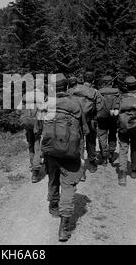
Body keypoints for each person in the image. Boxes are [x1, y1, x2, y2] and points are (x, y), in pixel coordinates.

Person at [41, 74, 87, 242]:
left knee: (53, 178)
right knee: (68, 186)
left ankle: (53, 205)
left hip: (50, 150)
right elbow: (84, 130)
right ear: (67, 86)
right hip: (69, 151)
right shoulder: (76, 104)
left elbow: (40, 129)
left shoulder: (46, 104)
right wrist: (82, 156)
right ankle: (64, 228)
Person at [67, 72, 98, 181]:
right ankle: (93, 163)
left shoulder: (71, 91)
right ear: (93, 80)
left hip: (77, 120)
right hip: (90, 120)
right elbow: (100, 107)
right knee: (91, 141)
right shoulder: (94, 92)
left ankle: (81, 172)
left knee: (80, 144)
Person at [19, 89, 46, 183]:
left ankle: (32, 163)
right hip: (37, 123)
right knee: (37, 144)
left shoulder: (25, 96)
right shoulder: (43, 96)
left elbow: (21, 110)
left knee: (31, 144)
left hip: (27, 123)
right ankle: (35, 171)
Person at [95, 75, 120, 166]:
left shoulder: (99, 92)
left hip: (101, 116)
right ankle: (111, 154)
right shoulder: (117, 92)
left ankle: (104, 156)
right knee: (112, 134)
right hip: (113, 116)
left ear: (103, 83)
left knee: (102, 135)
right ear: (112, 83)